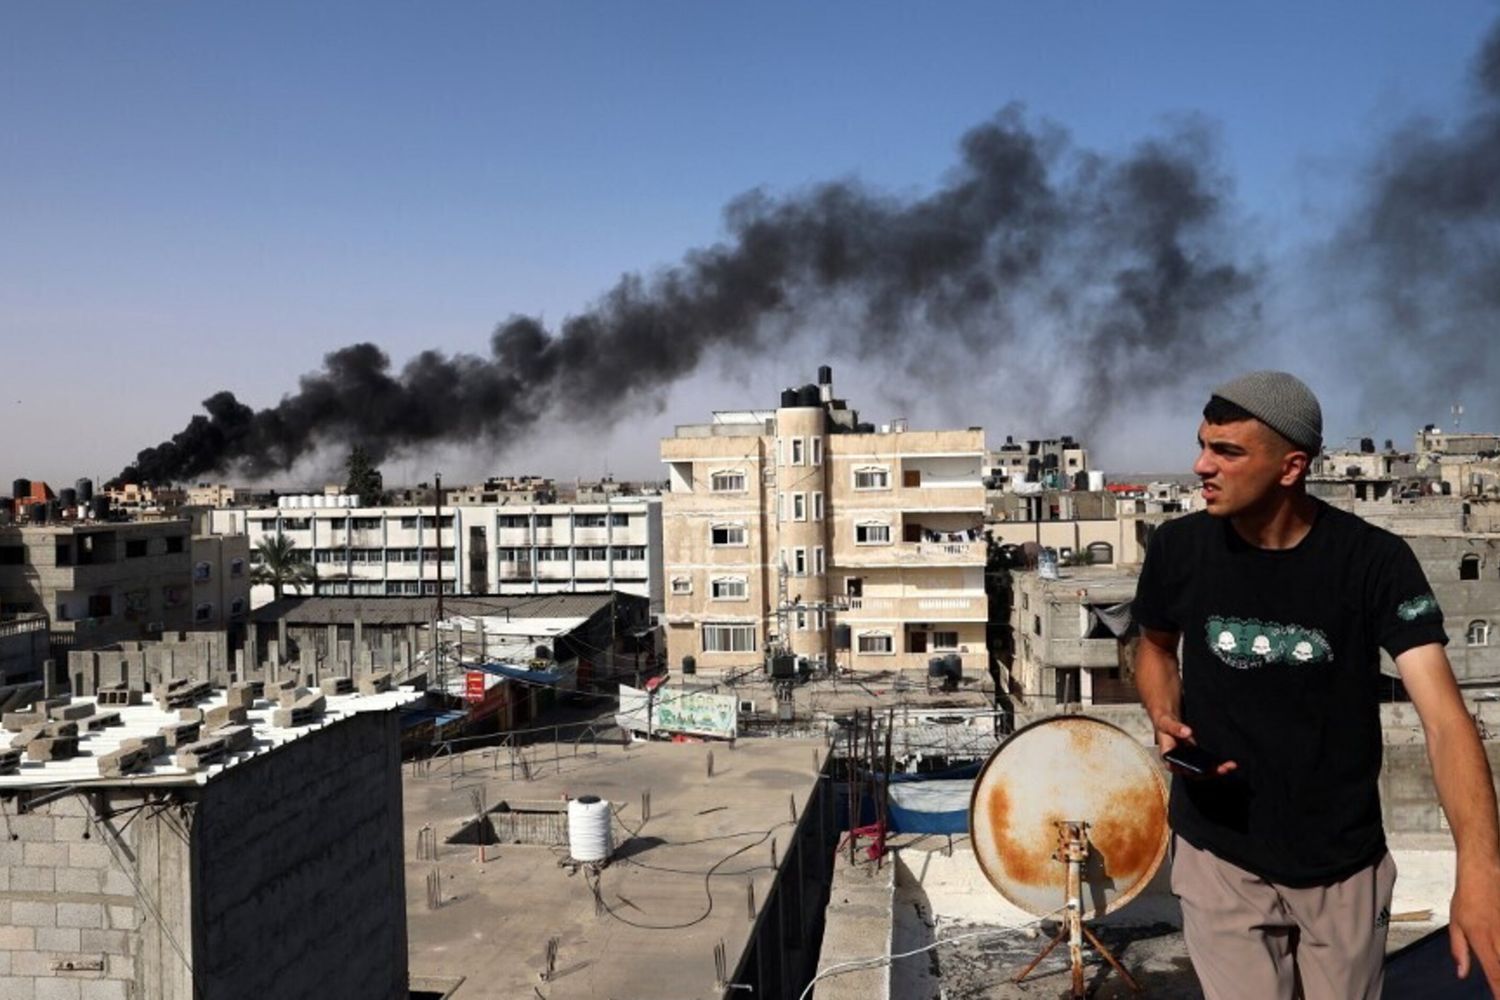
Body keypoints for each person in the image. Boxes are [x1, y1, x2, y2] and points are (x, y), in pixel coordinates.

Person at [1133, 370, 1500, 999]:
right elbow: (1155, 647)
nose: (1201, 466)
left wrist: (1481, 871)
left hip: (1341, 865)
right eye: (1202, 446)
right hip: (1218, 852)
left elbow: (1444, 720)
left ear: (1291, 467)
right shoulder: (1178, 548)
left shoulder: (1374, 562)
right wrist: (1164, 715)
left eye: (1227, 452)